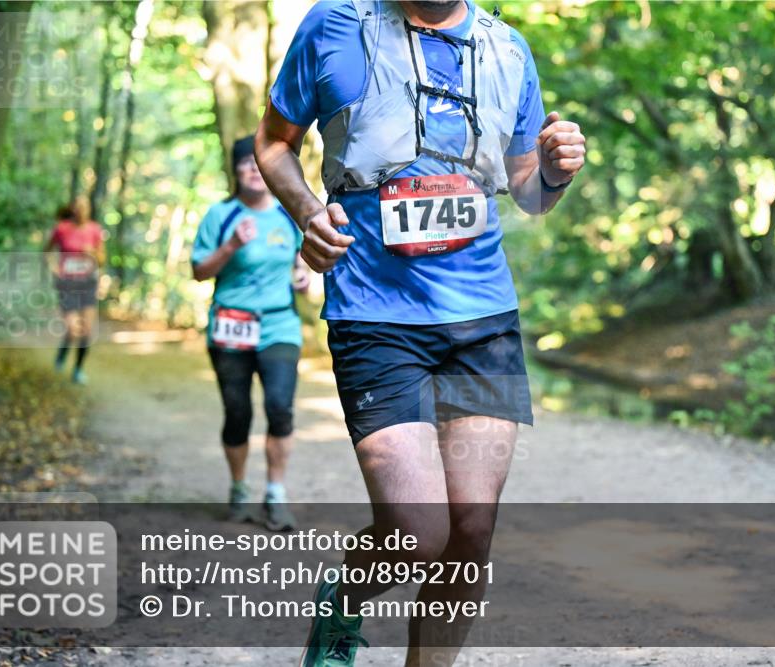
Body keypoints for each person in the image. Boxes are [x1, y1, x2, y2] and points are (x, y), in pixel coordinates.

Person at [257, 1, 585, 664]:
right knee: (417, 530)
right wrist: (306, 212)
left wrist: (555, 167)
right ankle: (345, 598)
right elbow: (274, 143)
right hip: (376, 315)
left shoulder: (508, 48)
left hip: (483, 321)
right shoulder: (335, 26)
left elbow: (527, 190)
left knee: (470, 531)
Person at [192, 135, 310, 532]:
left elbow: (301, 257)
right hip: (230, 326)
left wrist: (302, 274)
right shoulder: (220, 215)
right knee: (237, 412)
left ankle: (275, 492)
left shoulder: (287, 214)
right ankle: (239, 488)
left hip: (279, 324)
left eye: (259, 163)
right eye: (245, 163)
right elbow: (198, 271)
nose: (252, 170)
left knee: (280, 406)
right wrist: (230, 246)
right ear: (236, 170)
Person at [46, 196, 104, 385]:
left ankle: (78, 370)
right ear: (73, 209)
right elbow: (47, 252)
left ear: (88, 209)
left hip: (87, 283)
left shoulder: (95, 230)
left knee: (86, 329)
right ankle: (62, 355)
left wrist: (93, 253)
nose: (81, 210)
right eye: (77, 207)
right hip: (67, 284)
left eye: (84, 206)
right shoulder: (62, 228)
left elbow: (102, 259)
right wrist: (53, 268)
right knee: (73, 328)